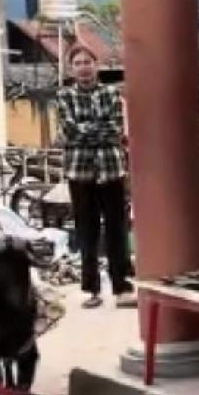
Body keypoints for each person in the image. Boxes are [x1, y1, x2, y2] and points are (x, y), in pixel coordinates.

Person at [57, 45, 135, 309]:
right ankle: (91, 289)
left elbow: (115, 129)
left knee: (117, 229)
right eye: (77, 63)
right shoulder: (64, 96)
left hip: (112, 170)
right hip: (80, 172)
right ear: (71, 68)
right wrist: (96, 129)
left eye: (87, 61)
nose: (83, 67)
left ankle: (122, 285)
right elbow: (68, 131)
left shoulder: (112, 94)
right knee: (86, 231)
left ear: (96, 64)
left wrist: (85, 131)